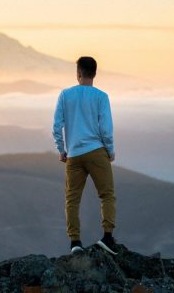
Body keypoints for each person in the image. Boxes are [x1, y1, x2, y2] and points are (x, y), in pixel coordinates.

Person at [52, 56, 118, 255]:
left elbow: (56, 126)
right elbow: (106, 129)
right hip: (97, 151)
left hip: (73, 155)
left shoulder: (65, 95)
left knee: (72, 199)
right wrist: (110, 151)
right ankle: (107, 237)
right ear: (95, 73)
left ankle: (75, 242)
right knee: (106, 195)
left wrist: (62, 150)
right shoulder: (101, 96)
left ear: (78, 73)